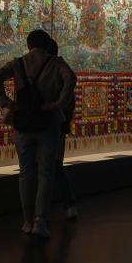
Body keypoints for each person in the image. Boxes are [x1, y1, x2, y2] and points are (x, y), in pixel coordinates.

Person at [0, 29, 76, 238]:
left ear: (29, 45)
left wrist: (5, 102)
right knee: (46, 172)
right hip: (48, 122)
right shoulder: (55, 63)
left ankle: (27, 221)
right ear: (47, 44)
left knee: (26, 173)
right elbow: (70, 79)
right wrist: (58, 104)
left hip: (23, 123)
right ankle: (40, 220)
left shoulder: (19, 63)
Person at [46, 37, 78, 220]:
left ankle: (65, 204)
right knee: (54, 166)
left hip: (52, 125)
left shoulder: (57, 71)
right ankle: (66, 205)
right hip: (56, 124)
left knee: (53, 166)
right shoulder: (58, 71)